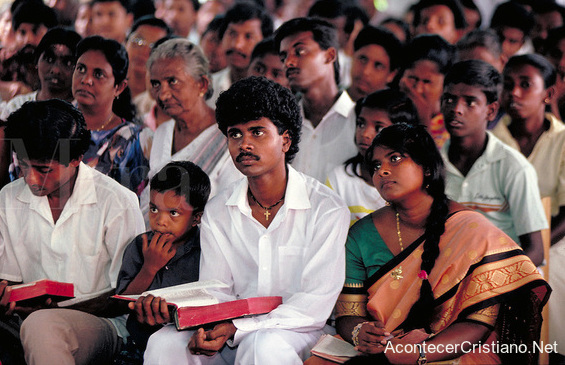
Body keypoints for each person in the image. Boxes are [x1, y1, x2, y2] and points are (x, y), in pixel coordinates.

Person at [143, 76, 349, 364]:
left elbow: (313, 305)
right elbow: (216, 290)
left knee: (263, 345)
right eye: (235, 134)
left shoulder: (326, 209)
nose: (244, 144)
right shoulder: (218, 210)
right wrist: (206, 325)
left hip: (298, 332)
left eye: (257, 132)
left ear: (285, 140)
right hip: (231, 330)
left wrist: (240, 327)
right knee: (164, 343)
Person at [332, 123, 549, 364]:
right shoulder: (361, 235)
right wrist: (359, 332)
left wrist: (417, 353)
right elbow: (348, 312)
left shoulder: (473, 231)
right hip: (380, 352)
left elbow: (478, 323)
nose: (382, 170)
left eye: (394, 158)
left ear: (425, 167)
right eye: (376, 165)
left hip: (455, 352)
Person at [0, 99, 144, 365]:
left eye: (43, 169)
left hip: (103, 325)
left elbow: (125, 296)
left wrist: (55, 310)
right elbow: (9, 280)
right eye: (23, 165)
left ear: (77, 159)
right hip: (25, 321)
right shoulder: (9, 197)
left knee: (42, 325)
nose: (31, 179)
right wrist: (6, 294)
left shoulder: (116, 202)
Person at [491, 53, 565, 355]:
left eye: (525, 84)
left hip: (556, 238)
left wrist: (537, 248)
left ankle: (554, 352)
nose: (514, 93)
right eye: (508, 84)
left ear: (548, 94)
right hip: (502, 239)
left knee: (554, 272)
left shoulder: (562, 140)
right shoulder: (490, 140)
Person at [440, 60, 546, 266]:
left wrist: (489, 275)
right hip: (447, 274)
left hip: (499, 279)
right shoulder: (432, 164)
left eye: (470, 102)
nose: (456, 109)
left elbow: (536, 251)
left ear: (491, 111)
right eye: (449, 99)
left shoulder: (514, 168)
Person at [142, 38, 241, 225]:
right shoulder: (163, 132)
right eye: (156, 84)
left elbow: (228, 215)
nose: (162, 94)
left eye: (173, 81)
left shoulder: (228, 139)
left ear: (202, 84)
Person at [116, 161, 210, 355]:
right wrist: (149, 268)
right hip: (138, 344)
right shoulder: (139, 246)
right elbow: (122, 303)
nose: (160, 221)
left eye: (173, 213)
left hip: (184, 346)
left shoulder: (206, 250)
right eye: (154, 209)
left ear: (196, 217)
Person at [275, 17, 356, 182]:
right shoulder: (281, 123)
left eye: (300, 52)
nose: (288, 63)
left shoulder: (358, 122)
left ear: (329, 55)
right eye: (284, 57)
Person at [326, 89, 418, 226]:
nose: (365, 134)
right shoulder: (340, 180)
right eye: (361, 124)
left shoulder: (413, 184)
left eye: (378, 128)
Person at [73, 35, 151, 195]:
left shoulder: (132, 140)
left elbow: (131, 203)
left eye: (98, 74)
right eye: (80, 69)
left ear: (119, 87)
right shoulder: (51, 123)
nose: (86, 80)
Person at [207, 2, 274, 107]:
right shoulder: (207, 88)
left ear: (264, 42)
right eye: (232, 34)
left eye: (248, 37)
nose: (237, 45)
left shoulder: (272, 94)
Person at [398, 34, 456, 148]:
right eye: (412, 78)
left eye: (427, 81)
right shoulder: (387, 112)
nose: (418, 89)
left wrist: (423, 119)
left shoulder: (452, 126)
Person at [125, 16, 171, 116]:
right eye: (138, 41)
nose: (144, 51)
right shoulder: (109, 90)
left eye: (153, 47)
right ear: (125, 43)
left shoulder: (164, 105)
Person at [346, 25, 402, 102]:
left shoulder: (392, 112)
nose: (366, 71)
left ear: (391, 75)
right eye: (363, 59)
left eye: (378, 66)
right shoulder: (329, 100)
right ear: (353, 55)